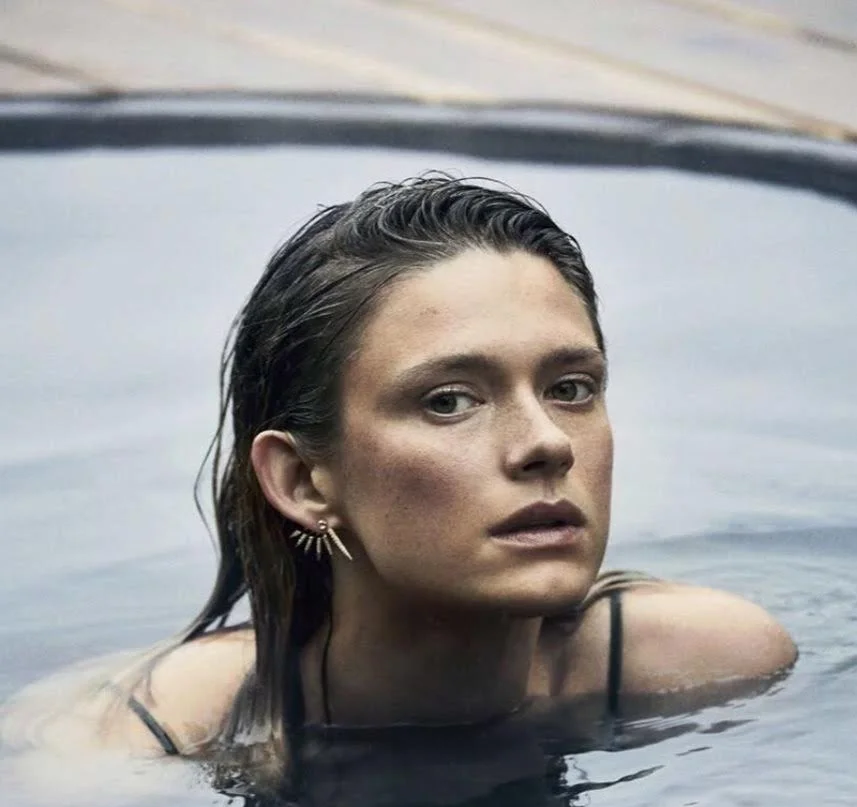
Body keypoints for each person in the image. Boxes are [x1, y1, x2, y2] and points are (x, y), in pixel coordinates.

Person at [6, 175, 797, 772]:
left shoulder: (710, 664)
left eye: (570, 388)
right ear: (305, 482)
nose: (546, 443)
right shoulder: (138, 743)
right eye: (449, 400)